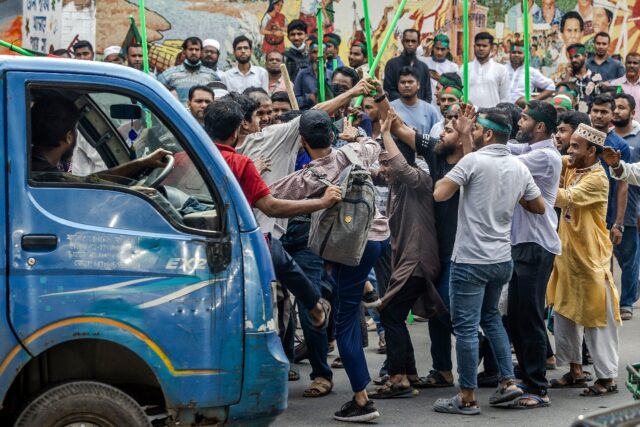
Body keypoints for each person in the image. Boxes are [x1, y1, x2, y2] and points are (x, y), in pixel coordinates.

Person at [270, 108, 389, 422]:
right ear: (333, 135)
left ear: (303, 141)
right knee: (341, 294)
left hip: (351, 247)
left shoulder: (313, 172)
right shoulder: (357, 150)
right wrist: (354, 137)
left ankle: (362, 401)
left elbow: (271, 197)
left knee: (346, 321)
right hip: (376, 239)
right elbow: (375, 146)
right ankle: (363, 287)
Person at [432, 108, 545, 416]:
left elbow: (440, 193)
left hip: (469, 259)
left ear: (489, 134)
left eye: (478, 129)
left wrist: (457, 168)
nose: (474, 131)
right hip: (500, 259)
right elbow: (538, 206)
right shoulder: (518, 166)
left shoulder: (472, 161)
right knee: (491, 319)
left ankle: (467, 396)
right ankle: (508, 383)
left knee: (466, 327)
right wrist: (509, 196)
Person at [202, 98, 337, 338]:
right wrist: (322, 202)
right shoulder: (241, 163)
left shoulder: (188, 158)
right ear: (237, 130)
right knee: (282, 268)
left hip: (198, 245)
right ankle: (315, 308)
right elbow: (271, 207)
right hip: (241, 244)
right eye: (258, 115)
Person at [367, 109, 446, 399]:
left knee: (390, 312)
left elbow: (399, 167)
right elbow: (374, 171)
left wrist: (388, 133)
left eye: (385, 163)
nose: (382, 170)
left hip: (418, 260)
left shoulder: (418, 180)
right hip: (409, 260)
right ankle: (407, 373)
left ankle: (399, 378)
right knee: (394, 314)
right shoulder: (397, 184)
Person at [548, 123, 621, 396]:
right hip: (567, 256)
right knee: (565, 314)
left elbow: (566, 198)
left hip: (591, 259)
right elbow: (559, 162)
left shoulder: (597, 178)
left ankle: (607, 378)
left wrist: (534, 182)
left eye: (576, 146)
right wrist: (558, 160)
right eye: (571, 144)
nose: (570, 149)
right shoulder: (573, 166)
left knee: (596, 319)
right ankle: (575, 370)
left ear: (592, 151)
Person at [506, 101, 562, 409]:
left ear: (539, 126)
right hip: (522, 244)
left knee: (529, 318)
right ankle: (526, 377)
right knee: (515, 316)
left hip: (537, 246)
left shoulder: (546, 156)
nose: (520, 122)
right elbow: (509, 150)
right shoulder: (530, 150)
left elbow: (507, 160)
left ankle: (538, 387)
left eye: (524, 119)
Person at [31, 95, 168, 183]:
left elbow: (90, 181)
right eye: (75, 129)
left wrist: (141, 163)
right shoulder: (49, 179)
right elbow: (90, 182)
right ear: (69, 137)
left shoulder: (31, 167)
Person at [610, 93, 640, 320]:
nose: (617, 111)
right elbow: (631, 172)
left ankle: (627, 301)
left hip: (631, 207)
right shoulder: (605, 139)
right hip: (609, 205)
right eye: (615, 107)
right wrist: (618, 165)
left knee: (629, 257)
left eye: (623, 107)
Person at [590, 95, 631, 253]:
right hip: (577, 210)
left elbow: (623, 185)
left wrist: (618, 223)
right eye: (595, 110)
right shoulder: (579, 138)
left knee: (603, 262)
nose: (598, 115)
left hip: (605, 215)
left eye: (604, 111)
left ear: (612, 114)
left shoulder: (620, 145)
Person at [157, 37, 220, 103]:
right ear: (184, 51)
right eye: (190, 49)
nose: (194, 52)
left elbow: (218, 100)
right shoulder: (168, 75)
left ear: (201, 52)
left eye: (197, 49)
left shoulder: (212, 76)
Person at [384, 29, 433, 103]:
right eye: (407, 41)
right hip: (398, 111)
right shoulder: (392, 64)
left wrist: (421, 108)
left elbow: (428, 94)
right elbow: (389, 91)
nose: (410, 44)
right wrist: (408, 103)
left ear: (418, 43)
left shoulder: (423, 67)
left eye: (413, 41)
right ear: (402, 42)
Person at [463, 32, 510, 108]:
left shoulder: (501, 69)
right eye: (478, 45)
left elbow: (505, 98)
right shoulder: (464, 68)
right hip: (469, 116)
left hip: (492, 117)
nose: (481, 48)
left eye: (484, 46)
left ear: (491, 48)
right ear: (474, 46)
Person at [390, 66, 440, 136]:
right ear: (397, 85)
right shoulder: (390, 108)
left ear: (418, 85)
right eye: (403, 82)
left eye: (410, 82)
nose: (406, 85)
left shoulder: (430, 111)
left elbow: (437, 136)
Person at [419, 34, 459, 100]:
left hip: (444, 104)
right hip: (425, 104)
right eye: (437, 48)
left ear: (448, 50)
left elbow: (457, 88)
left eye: (443, 49)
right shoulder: (423, 62)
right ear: (432, 48)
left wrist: (439, 78)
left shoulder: (453, 67)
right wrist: (424, 47)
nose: (439, 52)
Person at [568, 43, 605, 113]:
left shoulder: (596, 77)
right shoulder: (567, 77)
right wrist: (568, 77)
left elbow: (599, 101)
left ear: (585, 56)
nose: (573, 60)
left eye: (576, 56)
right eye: (571, 57)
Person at [611, 52, 640, 122]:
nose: (631, 66)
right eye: (629, 63)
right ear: (625, 64)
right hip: (619, 127)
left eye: (635, 63)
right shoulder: (616, 84)